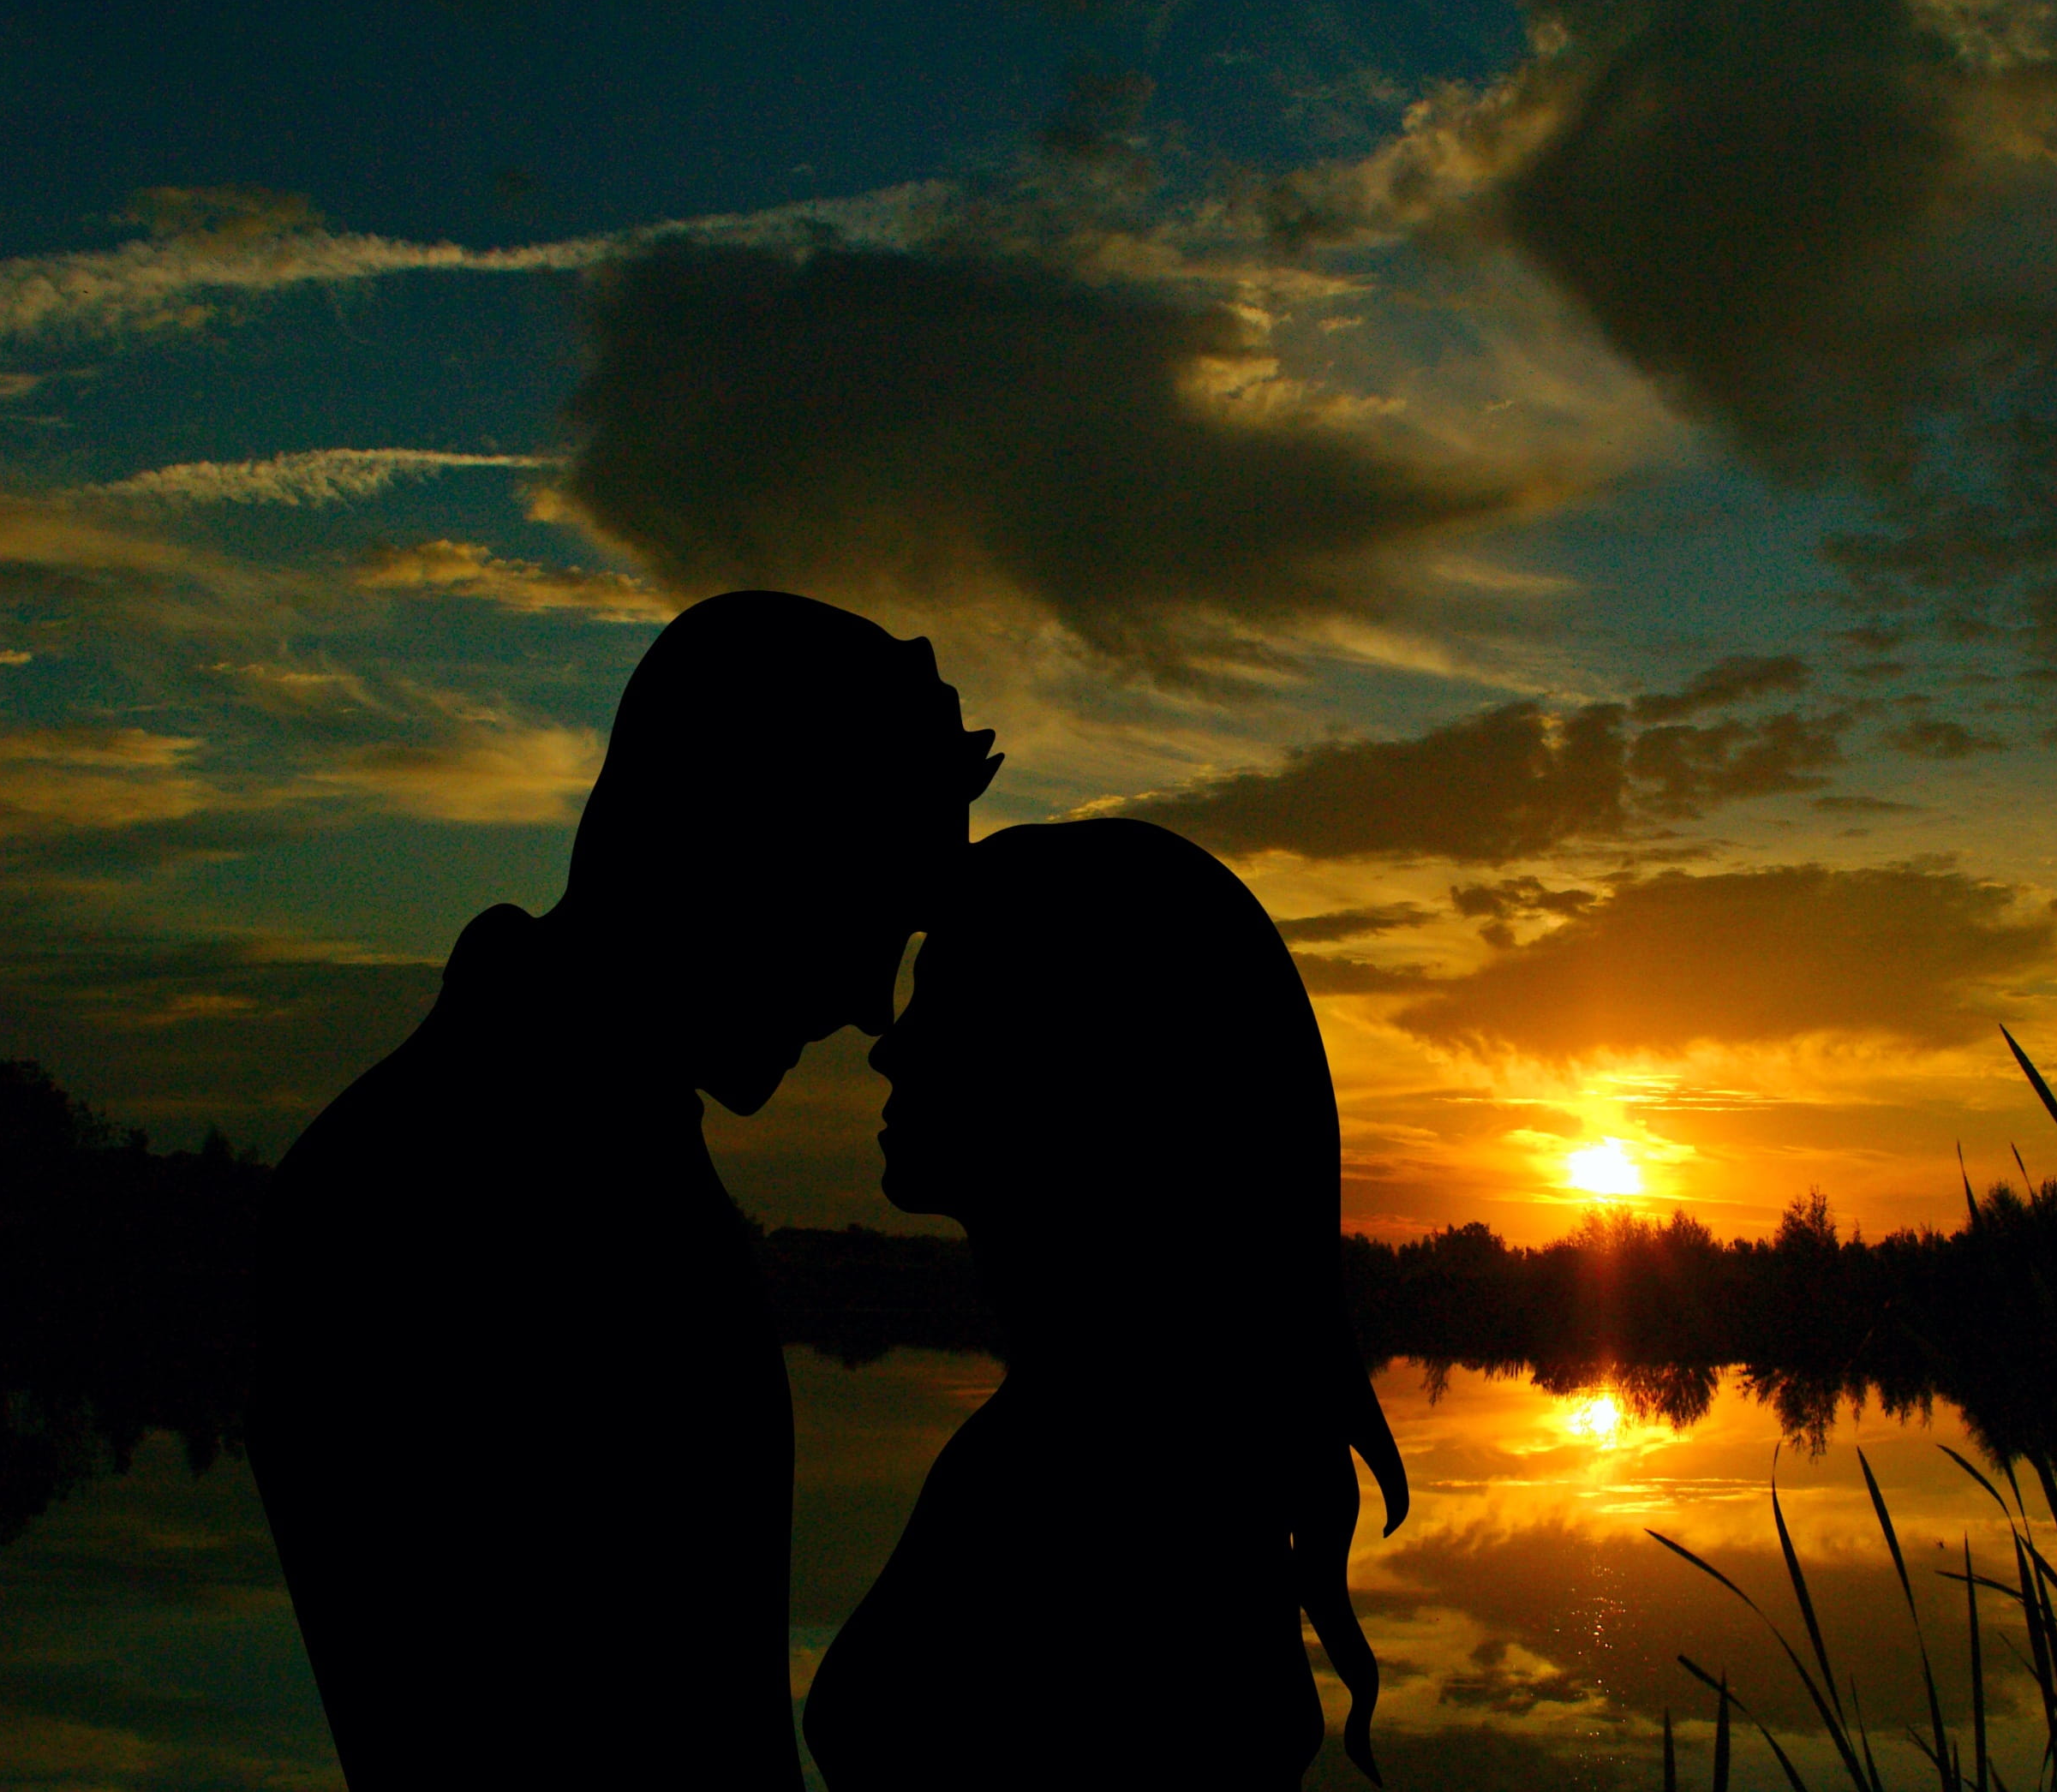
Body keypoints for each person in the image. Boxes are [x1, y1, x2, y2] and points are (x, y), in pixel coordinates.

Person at [251, 591, 999, 1787]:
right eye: (868, 914)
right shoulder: (558, 1215)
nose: (870, 1001)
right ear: (746, 850)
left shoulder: (471, 1152)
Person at [801, 815, 1408, 1789]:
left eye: (945, 997)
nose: (888, 1045)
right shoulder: (1106, 1439)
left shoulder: (1090, 1468)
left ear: (1072, 1056)